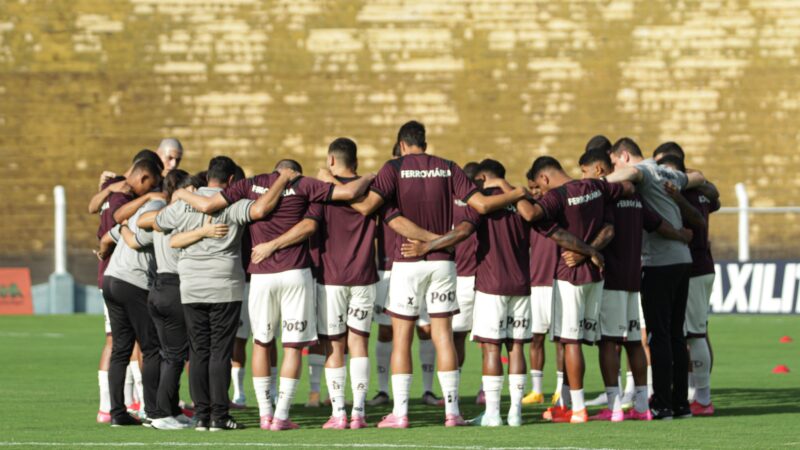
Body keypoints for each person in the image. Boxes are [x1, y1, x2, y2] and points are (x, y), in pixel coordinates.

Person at [349, 121, 531, 428]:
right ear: (425, 142)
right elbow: (483, 205)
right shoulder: (448, 167)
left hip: (406, 260)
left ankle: (402, 413)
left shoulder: (393, 168)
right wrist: (519, 193)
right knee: (443, 336)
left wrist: (340, 187)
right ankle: (452, 412)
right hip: (444, 261)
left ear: (402, 144)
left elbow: (368, 207)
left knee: (402, 338)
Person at [174, 159, 372, 431]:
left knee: (261, 343)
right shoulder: (306, 185)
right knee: (292, 345)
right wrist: (372, 175)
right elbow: (343, 199)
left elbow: (208, 205)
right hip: (295, 273)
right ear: (294, 172)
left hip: (260, 275)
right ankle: (281, 416)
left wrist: (181, 193)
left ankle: (265, 415)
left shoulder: (249, 184)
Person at [155, 156, 288, 431]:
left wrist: (180, 195)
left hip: (190, 285)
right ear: (231, 181)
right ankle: (219, 415)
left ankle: (201, 415)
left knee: (199, 351)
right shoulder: (233, 203)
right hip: (225, 285)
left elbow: (159, 223)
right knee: (220, 352)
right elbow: (262, 209)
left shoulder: (184, 203)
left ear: (206, 178)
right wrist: (283, 179)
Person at [579, 148, 692, 421]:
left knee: (638, 338)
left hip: (652, 266)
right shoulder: (662, 177)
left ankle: (641, 405)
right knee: (669, 335)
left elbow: (610, 226)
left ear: (624, 156)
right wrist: (680, 235)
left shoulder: (631, 181)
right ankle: (674, 404)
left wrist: (587, 186)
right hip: (676, 263)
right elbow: (698, 180)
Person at [605, 137, 707, 419]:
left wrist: (594, 184)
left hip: (659, 262)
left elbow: (630, 174)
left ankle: (662, 403)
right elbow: (697, 177)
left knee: (659, 336)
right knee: (676, 335)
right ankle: (681, 404)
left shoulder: (645, 171)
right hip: (682, 261)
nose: (614, 167)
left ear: (624, 156)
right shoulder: (666, 171)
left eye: (614, 162)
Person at [525, 156, 632, 424]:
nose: (540, 192)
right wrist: (591, 251)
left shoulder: (557, 197)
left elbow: (531, 215)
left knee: (569, 342)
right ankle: (614, 407)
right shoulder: (596, 187)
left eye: (538, 186)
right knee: (600, 340)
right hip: (596, 275)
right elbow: (620, 205)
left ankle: (579, 409)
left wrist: (516, 195)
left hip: (569, 275)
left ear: (544, 179)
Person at [91, 150, 164, 423]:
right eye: (151, 184)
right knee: (147, 345)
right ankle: (152, 409)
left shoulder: (115, 191)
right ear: (144, 176)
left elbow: (98, 215)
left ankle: (116, 410)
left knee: (121, 345)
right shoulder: (126, 197)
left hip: (110, 278)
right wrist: (149, 199)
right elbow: (123, 228)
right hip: (127, 278)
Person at [656, 153, 720, 416]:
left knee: (694, 333)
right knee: (694, 332)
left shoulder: (683, 194)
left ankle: (702, 398)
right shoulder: (702, 191)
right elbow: (714, 197)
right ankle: (696, 393)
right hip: (701, 265)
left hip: (692, 267)